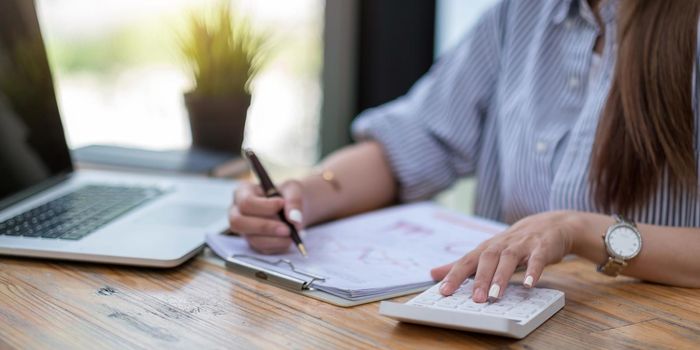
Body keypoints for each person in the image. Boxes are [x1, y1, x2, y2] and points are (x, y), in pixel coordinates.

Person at [229, 0, 700, 303]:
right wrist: (305, 195)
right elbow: (416, 139)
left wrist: (577, 229)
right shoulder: (522, 13)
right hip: (500, 318)